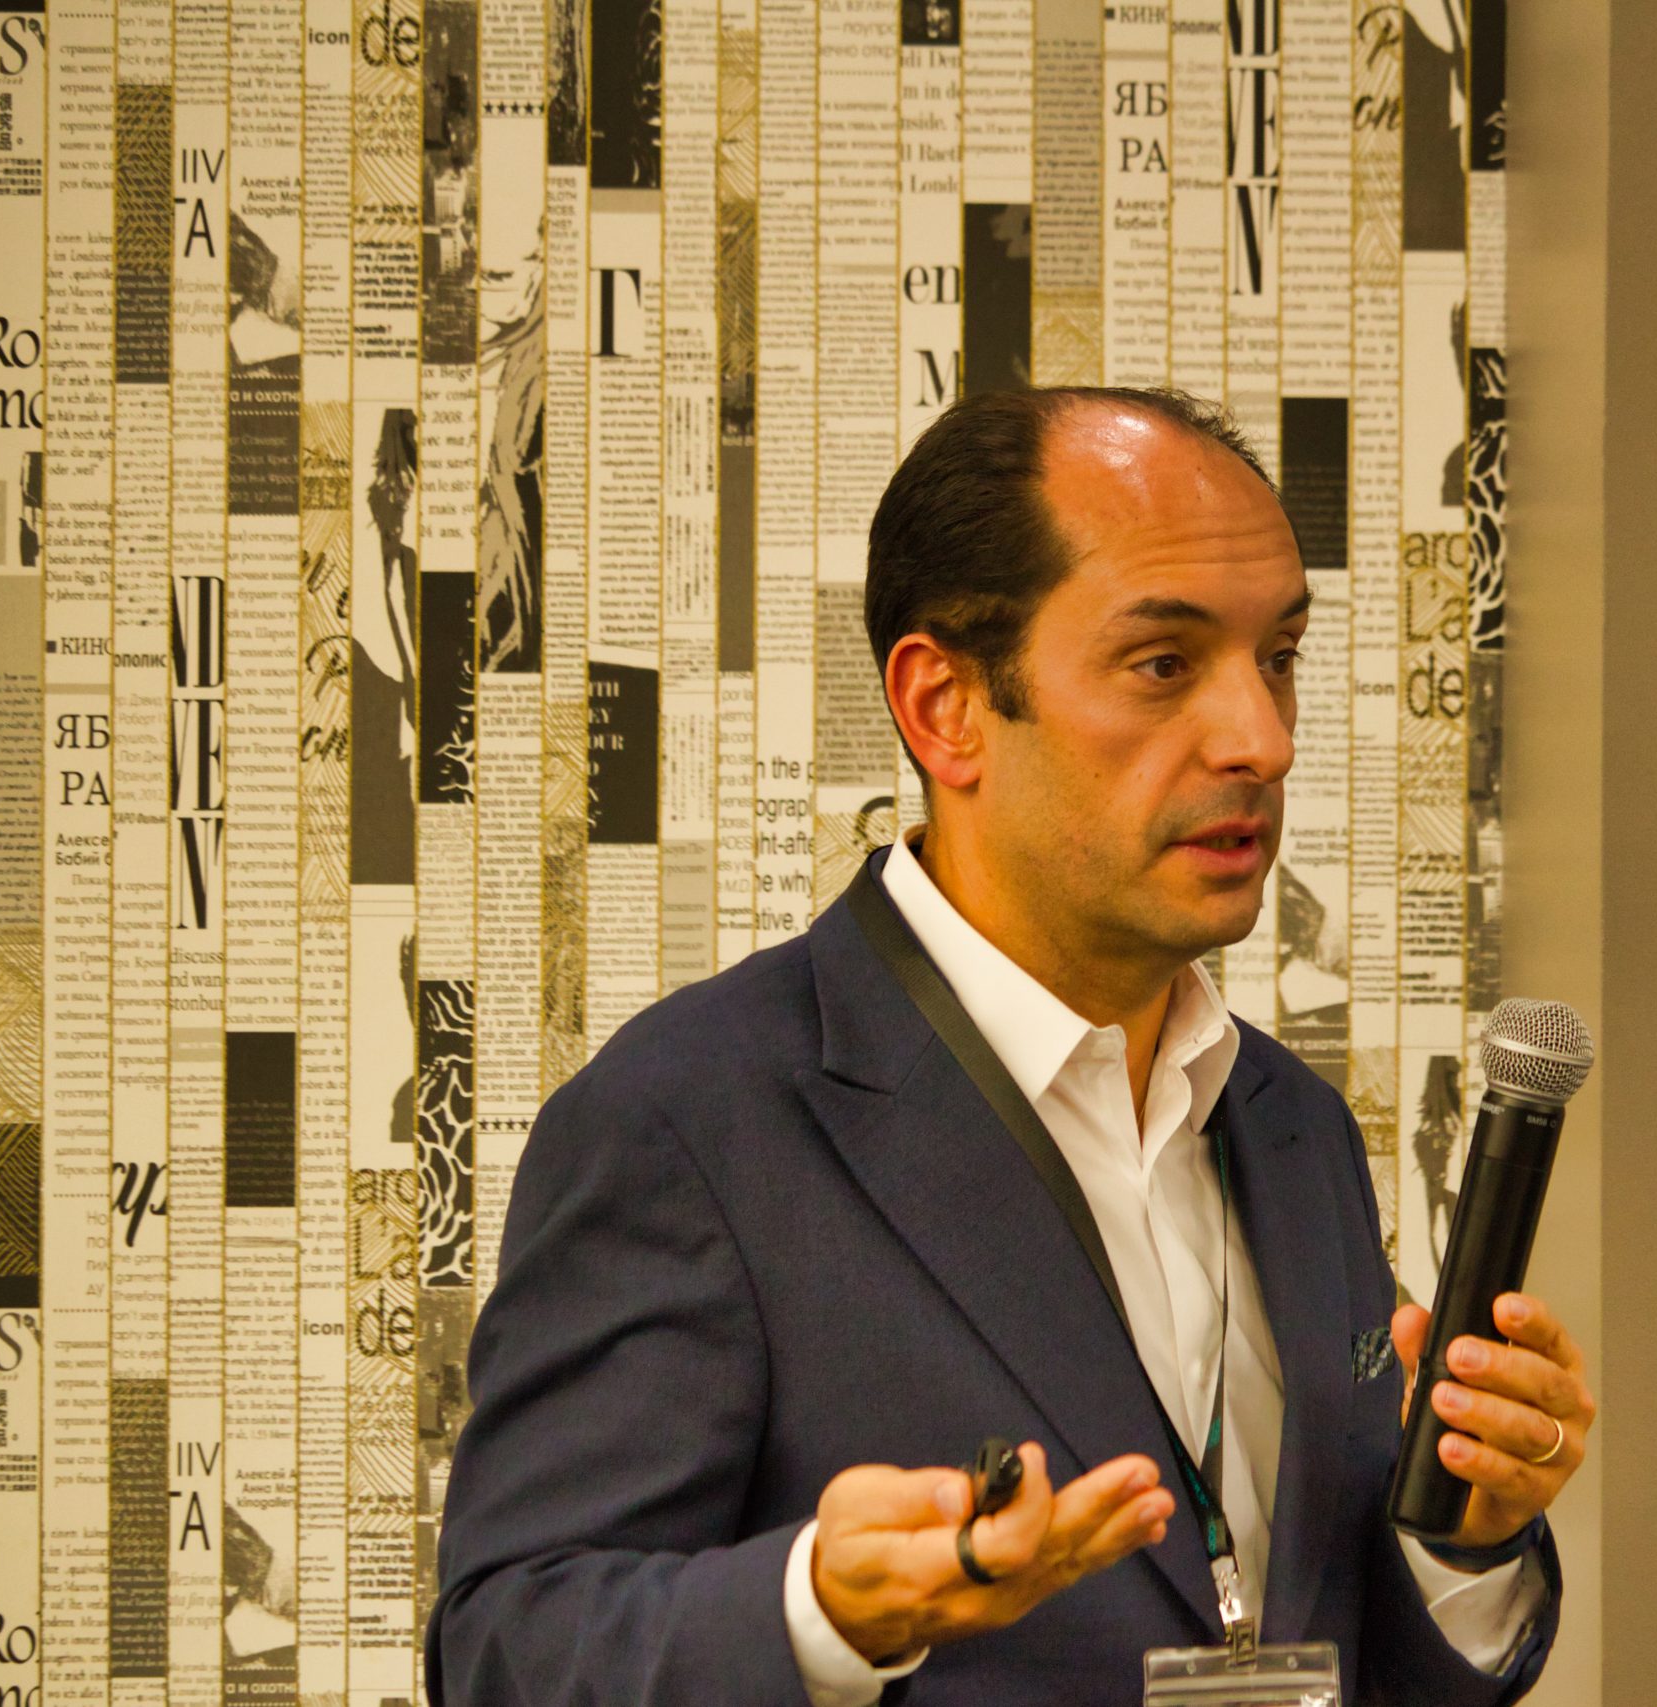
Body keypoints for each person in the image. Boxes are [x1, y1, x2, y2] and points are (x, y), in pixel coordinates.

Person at [427, 387, 1598, 1705]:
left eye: (1279, 657)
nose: (1263, 740)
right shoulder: (695, 1121)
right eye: (1164, 665)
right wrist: (820, 1616)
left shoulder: (1291, 1124)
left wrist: (1465, 1541)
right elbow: (508, 1651)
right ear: (947, 707)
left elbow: (1337, 1640)